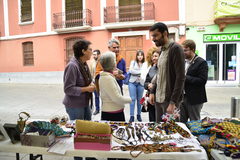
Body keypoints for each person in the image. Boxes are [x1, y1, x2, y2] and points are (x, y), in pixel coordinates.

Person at [62, 39, 96, 160]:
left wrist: (92, 83)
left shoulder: (84, 64)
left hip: (85, 103)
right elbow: (68, 89)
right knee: (78, 133)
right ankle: (78, 157)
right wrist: (87, 89)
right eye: (90, 49)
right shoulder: (72, 66)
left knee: (87, 131)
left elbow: (88, 80)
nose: (92, 52)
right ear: (83, 51)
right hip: (75, 105)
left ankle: (88, 155)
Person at [149, 22, 185, 122]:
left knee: (171, 132)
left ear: (164, 33)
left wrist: (173, 102)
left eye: (155, 35)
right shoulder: (162, 50)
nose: (153, 39)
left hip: (169, 101)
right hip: (159, 99)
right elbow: (159, 74)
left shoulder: (176, 49)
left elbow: (180, 77)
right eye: (152, 36)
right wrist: (152, 92)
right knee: (159, 132)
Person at [180, 39, 208, 123]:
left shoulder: (201, 62)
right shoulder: (182, 61)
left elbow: (202, 80)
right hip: (182, 97)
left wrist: (185, 77)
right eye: (182, 50)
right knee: (181, 123)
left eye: (185, 50)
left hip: (195, 98)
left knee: (194, 123)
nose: (183, 53)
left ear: (192, 49)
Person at [99, 51, 132, 121]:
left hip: (114, 111)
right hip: (112, 113)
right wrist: (131, 99)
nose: (116, 62)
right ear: (112, 63)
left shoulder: (108, 75)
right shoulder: (107, 78)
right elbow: (117, 98)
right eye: (114, 60)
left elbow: (121, 72)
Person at [128, 50, 145, 122]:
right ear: (136, 56)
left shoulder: (145, 63)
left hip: (141, 83)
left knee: (139, 100)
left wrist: (138, 73)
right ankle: (131, 116)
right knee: (132, 99)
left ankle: (139, 115)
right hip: (132, 83)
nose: (140, 56)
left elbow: (145, 72)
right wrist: (140, 73)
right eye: (138, 55)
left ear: (143, 56)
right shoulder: (133, 62)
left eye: (141, 55)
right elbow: (131, 71)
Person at [144, 48, 160, 122]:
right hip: (151, 99)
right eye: (153, 56)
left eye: (156, 56)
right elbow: (145, 83)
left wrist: (153, 86)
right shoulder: (151, 68)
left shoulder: (164, 69)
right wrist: (148, 85)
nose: (154, 58)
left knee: (160, 121)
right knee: (152, 119)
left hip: (160, 99)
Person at [89, 49, 101, 115]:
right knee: (96, 96)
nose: (93, 56)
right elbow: (90, 73)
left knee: (104, 96)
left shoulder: (102, 61)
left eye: (95, 54)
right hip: (94, 82)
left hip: (102, 82)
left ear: (99, 55)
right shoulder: (91, 62)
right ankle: (97, 109)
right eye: (93, 54)